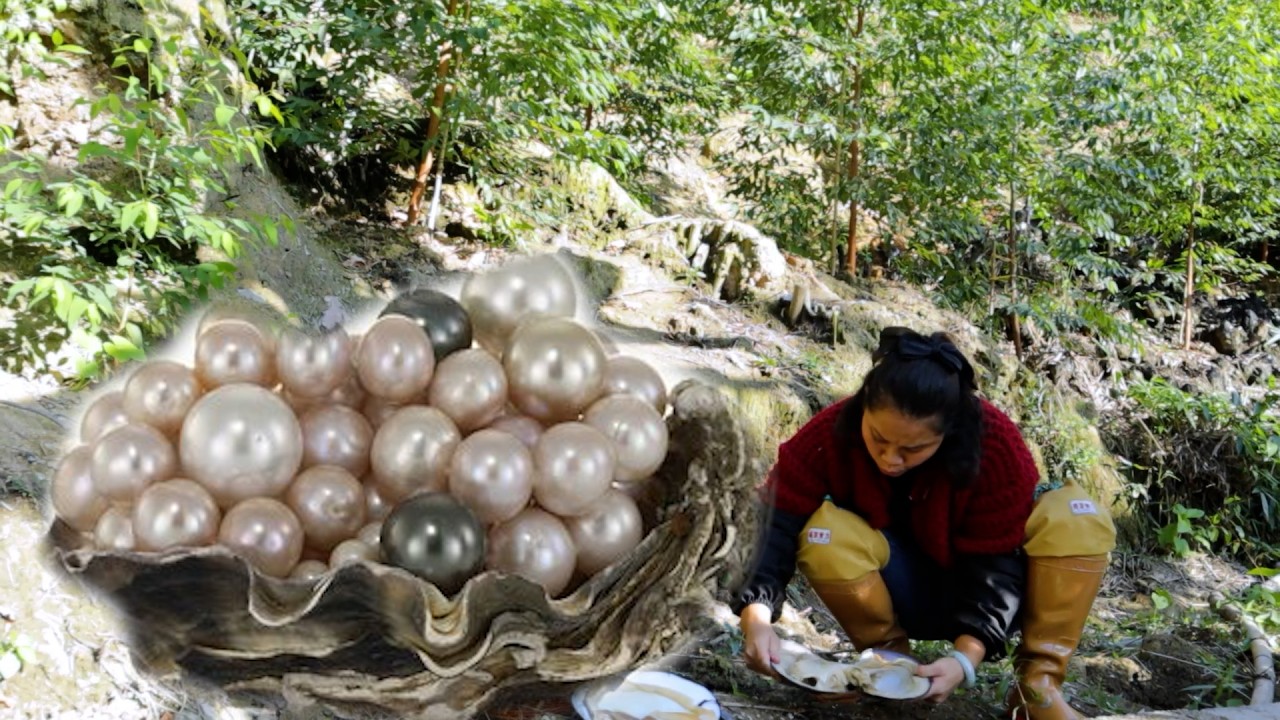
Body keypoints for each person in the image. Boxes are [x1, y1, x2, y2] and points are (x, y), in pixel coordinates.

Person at [731, 327, 1115, 720]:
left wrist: (966, 659)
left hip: (996, 595)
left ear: (948, 432)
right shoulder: (830, 432)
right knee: (825, 530)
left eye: (912, 449)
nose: (890, 458)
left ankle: (1037, 688)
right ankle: (885, 668)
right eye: (878, 438)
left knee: (1076, 512)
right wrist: (756, 616)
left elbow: (998, 565)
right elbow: (773, 521)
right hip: (900, 588)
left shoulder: (995, 446)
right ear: (864, 405)